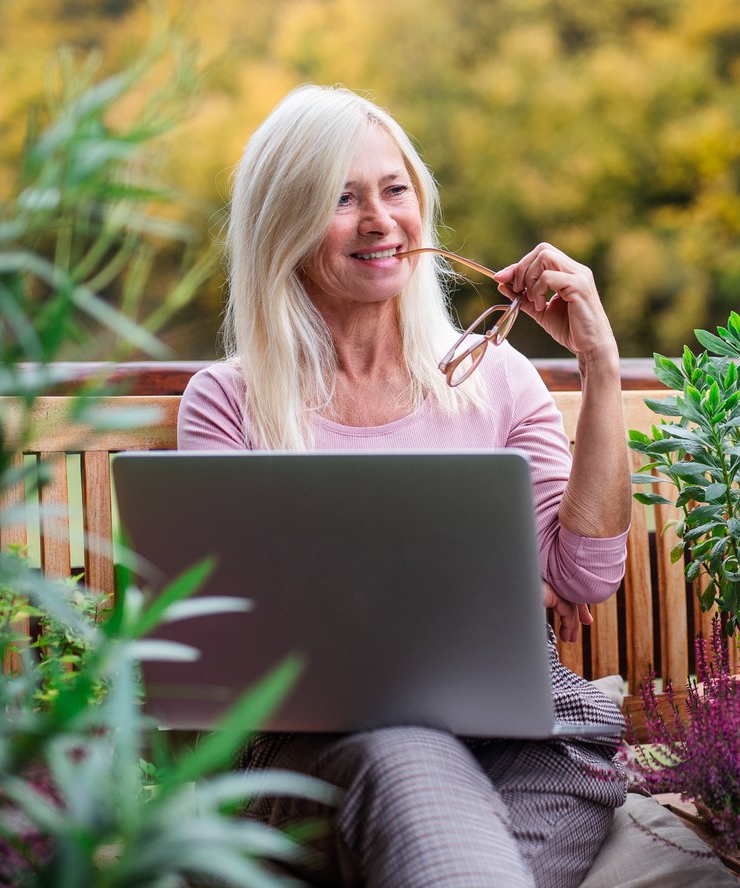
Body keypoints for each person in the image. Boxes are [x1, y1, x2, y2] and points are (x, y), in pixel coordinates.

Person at [176, 85, 632, 888]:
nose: (379, 219)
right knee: (412, 751)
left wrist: (601, 363)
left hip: (532, 751)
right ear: (282, 224)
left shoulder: (498, 381)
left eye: (394, 190)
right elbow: (220, 654)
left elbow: (585, 574)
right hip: (311, 759)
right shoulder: (229, 404)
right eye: (341, 199)